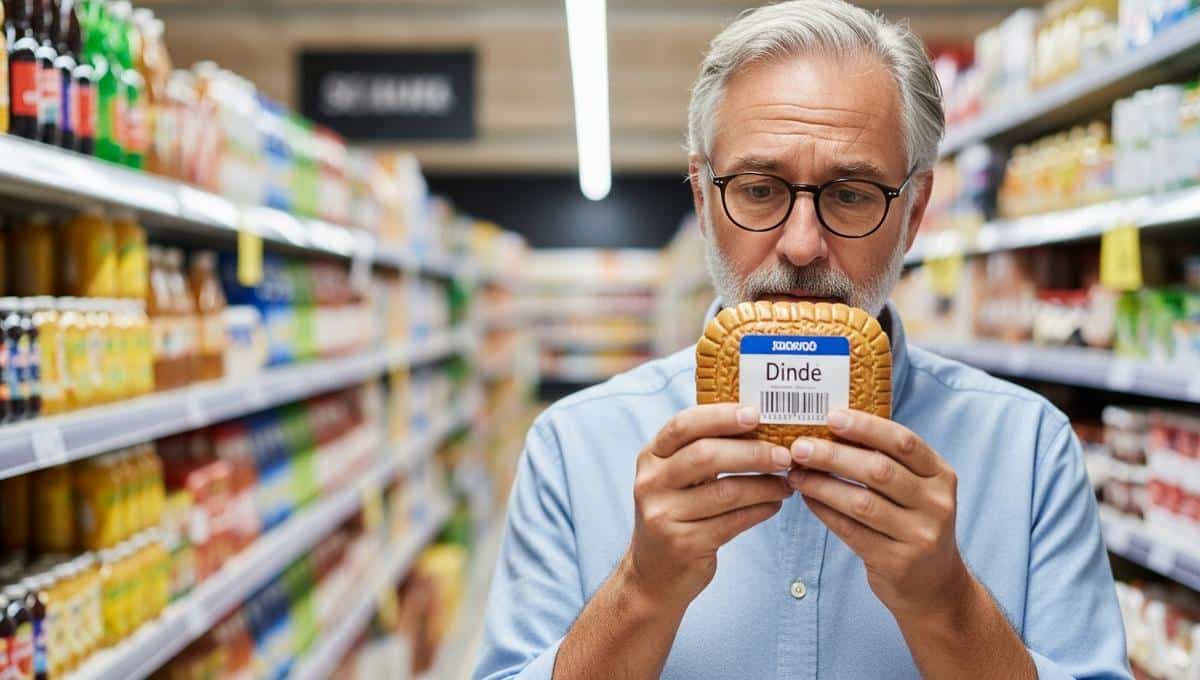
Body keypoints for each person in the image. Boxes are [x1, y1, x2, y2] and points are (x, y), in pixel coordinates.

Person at [473, 1, 1131, 678]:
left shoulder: (1030, 451)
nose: (801, 244)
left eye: (850, 195)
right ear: (702, 199)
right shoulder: (573, 445)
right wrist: (641, 590)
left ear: (912, 213)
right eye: (759, 190)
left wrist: (949, 606)